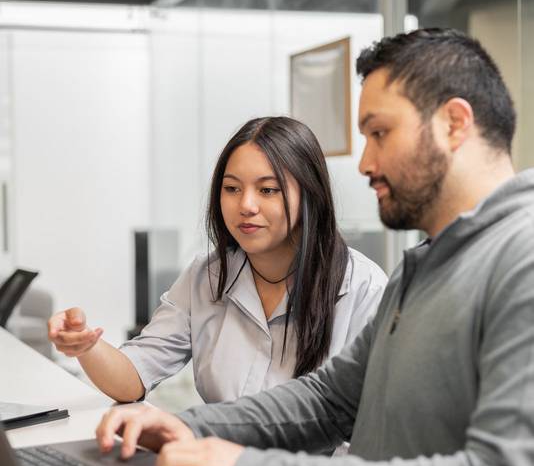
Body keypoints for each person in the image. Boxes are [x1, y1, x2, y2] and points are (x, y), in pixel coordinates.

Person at [96, 28, 534, 466]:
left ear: (455, 124)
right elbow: (330, 400)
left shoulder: (522, 259)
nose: (367, 164)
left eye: (379, 133)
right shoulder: (428, 264)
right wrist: (186, 425)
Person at [49, 116, 386, 405]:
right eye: (232, 188)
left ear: (310, 194)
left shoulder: (363, 288)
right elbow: (134, 376)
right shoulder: (207, 276)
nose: (246, 205)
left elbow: (364, 433)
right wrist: (86, 346)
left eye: (268, 190)